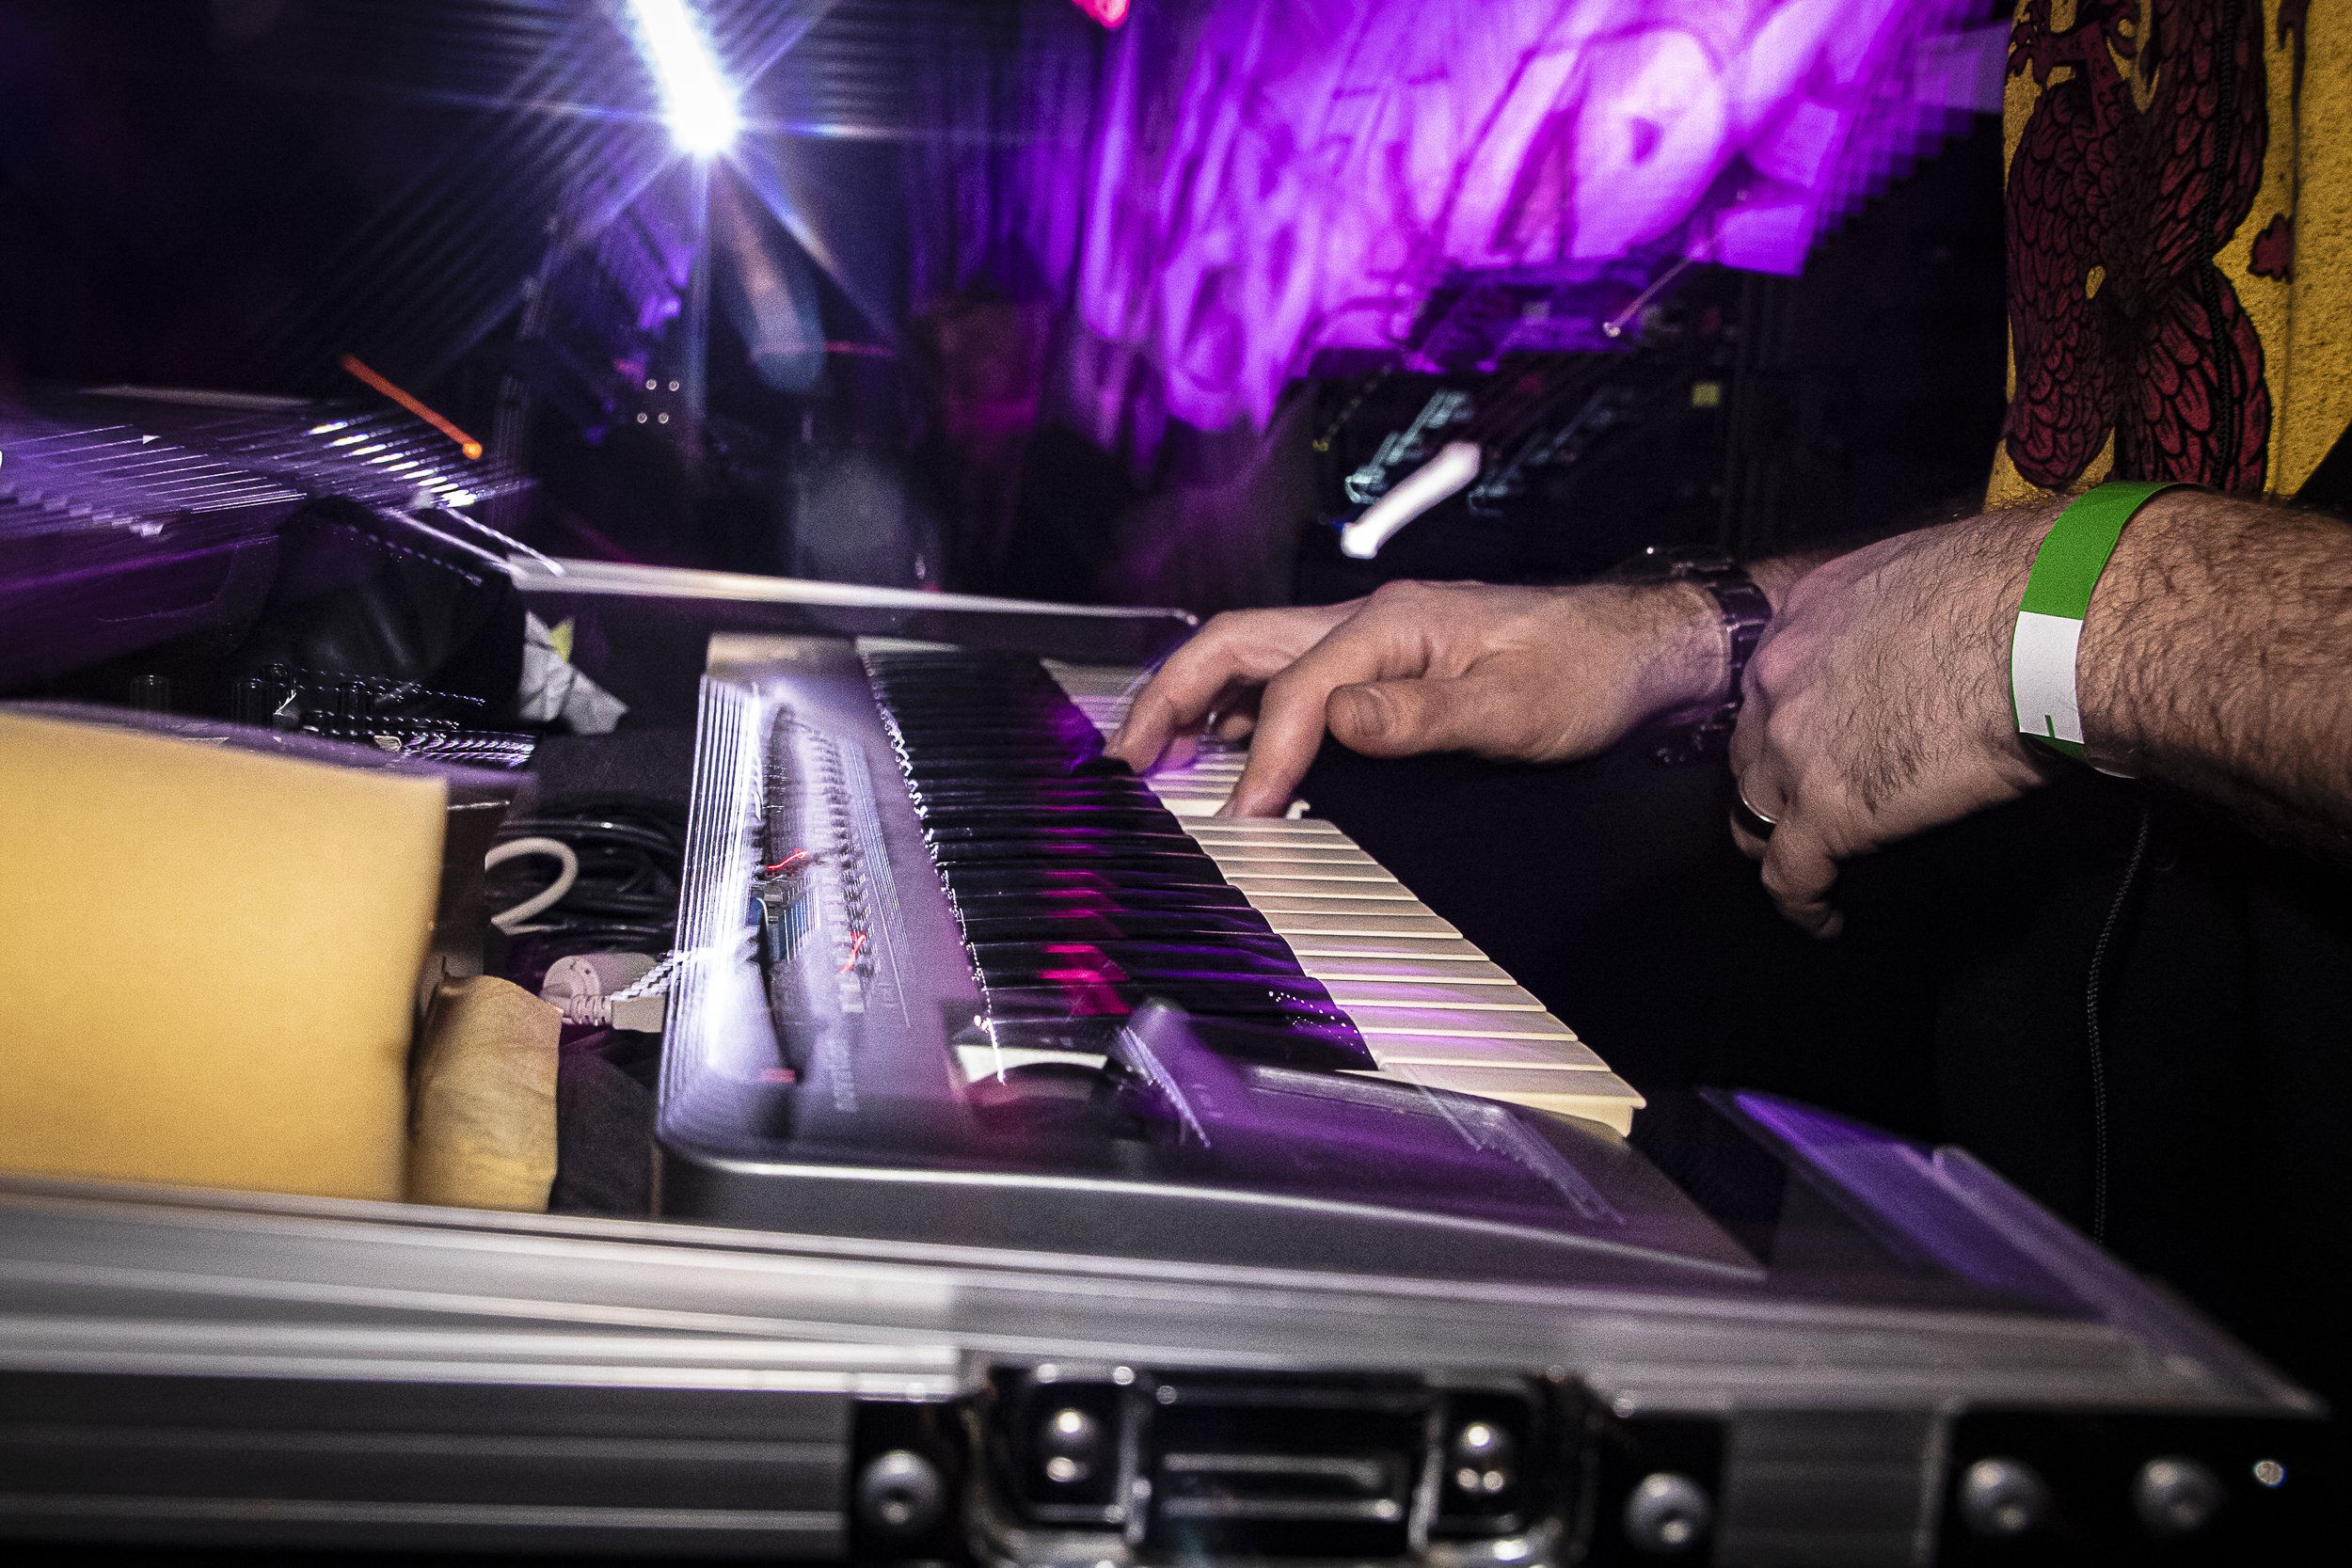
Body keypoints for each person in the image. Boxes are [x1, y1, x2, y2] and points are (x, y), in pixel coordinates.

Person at [1107, 2, 2352, 1407]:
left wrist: (2092, 612)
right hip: (2079, 1153)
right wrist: (1699, 627)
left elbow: (2094, 576)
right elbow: (2110, 502)